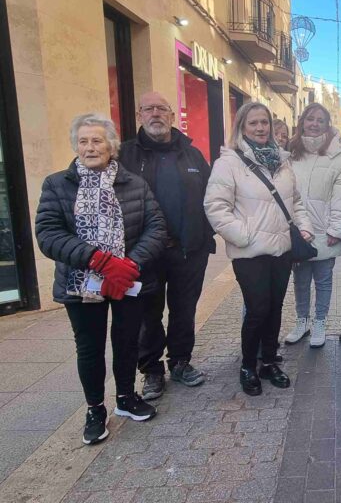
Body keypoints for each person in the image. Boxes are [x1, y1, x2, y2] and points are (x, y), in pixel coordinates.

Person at [35, 113, 167, 445]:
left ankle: (125, 397)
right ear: (75, 146)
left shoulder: (133, 183)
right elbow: (48, 234)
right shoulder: (57, 184)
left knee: (127, 341)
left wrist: (129, 265)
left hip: (127, 280)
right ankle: (95, 408)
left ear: (111, 145)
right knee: (90, 348)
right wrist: (98, 260)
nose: (90, 147)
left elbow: (156, 227)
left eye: (97, 140)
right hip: (83, 282)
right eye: (83, 141)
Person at [204, 102, 314, 396]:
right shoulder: (229, 163)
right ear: (241, 127)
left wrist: (303, 228)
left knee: (275, 308)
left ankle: (268, 362)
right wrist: (244, 235)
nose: (260, 128)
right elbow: (215, 207)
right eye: (253, 123)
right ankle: (248, 365)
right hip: (250, 252)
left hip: (282, 249)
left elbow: (296, 202)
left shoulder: (283, 161)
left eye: (264, 122)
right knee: (257, 309)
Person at [119, 91, 215, 401]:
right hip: (143, 254)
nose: (156, 114)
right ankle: (152, 372)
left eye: (162, 109)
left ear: (172, 116)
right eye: (149, 109)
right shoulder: (123, 155)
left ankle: (180, 362)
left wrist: (206, 236)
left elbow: (212, 198)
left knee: (184, 311)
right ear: (139, 116)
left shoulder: (192, 155)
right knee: (148, 315)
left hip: (188, 250)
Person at [285, 103, 341, 348]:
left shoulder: (338, 155)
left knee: (323, 280)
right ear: (302, 121)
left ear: (327, 125)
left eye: (320, 120)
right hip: (297, 230)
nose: (314, 124)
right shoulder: (291, 152)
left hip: (325, 229)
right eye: (310, 119)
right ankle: (302, 321)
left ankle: (320, 322)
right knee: (300, 279)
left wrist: (337, 228)